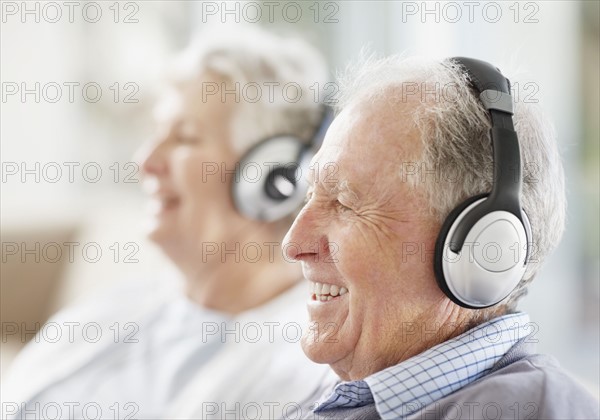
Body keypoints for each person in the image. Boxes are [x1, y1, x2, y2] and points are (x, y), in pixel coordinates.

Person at [2, 26, 335, 420]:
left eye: (185, 137)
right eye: (158, 132)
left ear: (270, 177)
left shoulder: (302, 364)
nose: (146, 160)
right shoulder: (113, 308)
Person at [282, 55, 600, 419]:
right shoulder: (357, 391)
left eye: (344, 203)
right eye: (310, 196)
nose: (293, 244)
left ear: (482, 250)